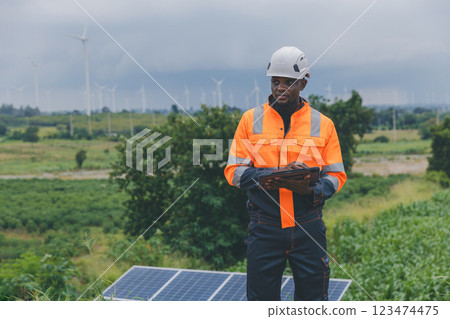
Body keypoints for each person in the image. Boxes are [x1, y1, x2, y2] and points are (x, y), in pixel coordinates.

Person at [224, 46, 347, 301]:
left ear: (303, 83)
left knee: (313, 302)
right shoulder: (250, 120)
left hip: (308, 225)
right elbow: (234, 172)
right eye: (275, 81)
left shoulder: (323, 124)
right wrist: (277, 175)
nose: (280, 87)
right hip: (264, 225)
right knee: (261, 304)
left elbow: (336, 175)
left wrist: (313, 190)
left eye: (289, 82)